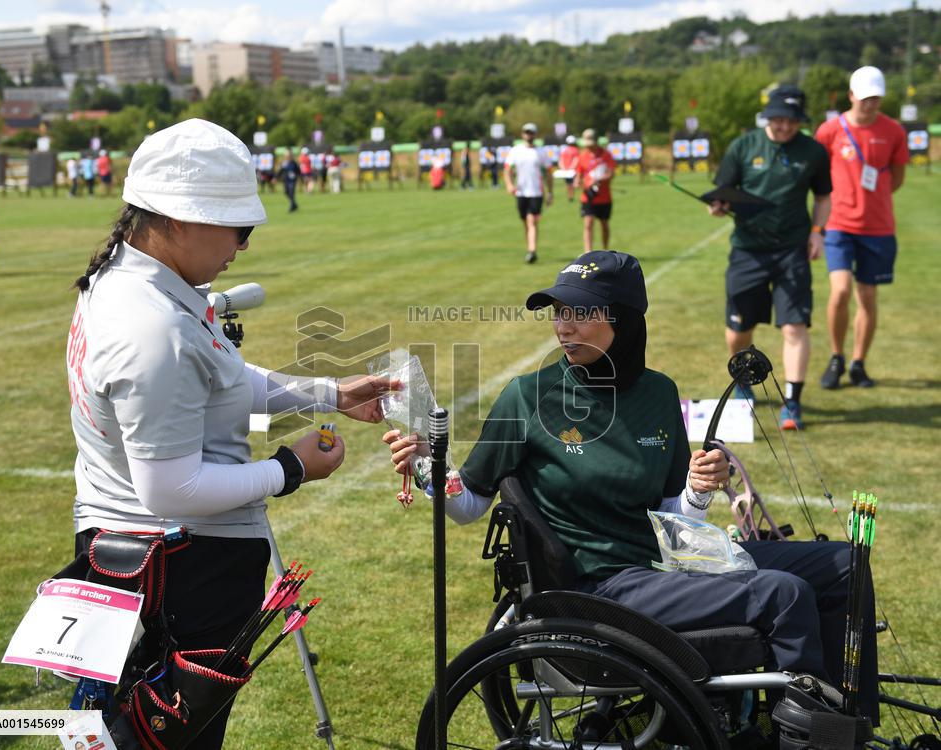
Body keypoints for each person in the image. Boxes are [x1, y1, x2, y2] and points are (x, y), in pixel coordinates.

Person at [383, 250, 879, 726]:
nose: (563, 325)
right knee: (784, 594)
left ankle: (854, 721)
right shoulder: (527, 396)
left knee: (845, 565)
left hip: (665, 563)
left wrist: (699, 486)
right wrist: (430, 468)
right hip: (601, 587)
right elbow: (470, 503)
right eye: (558, 312)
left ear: (621, 320)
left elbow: (675, 517)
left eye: (580, 311)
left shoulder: (659, 392)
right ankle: (810, 736)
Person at [66, 119, 398, 748]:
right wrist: (291, 469)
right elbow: (170, 488)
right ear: (180, 219)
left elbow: (224, 379)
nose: (243, 246)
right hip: (178, 566)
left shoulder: (138, 286)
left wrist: (328, 394)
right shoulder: (150, 325)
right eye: (237, 227)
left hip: (152, 553)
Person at [709, 85, 831, 430]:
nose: (785, 127)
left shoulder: (813, 152)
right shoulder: (743, 146)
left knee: (794, 326)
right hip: (747, 250)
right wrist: (718, 206)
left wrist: (817, 232)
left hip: (792, 250)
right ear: (769, 116)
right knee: (738, 330)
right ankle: (744, 383)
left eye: (792, 121)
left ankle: (792, 402)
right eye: (779, 119)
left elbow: (823, 197)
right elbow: (722, 194)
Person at [814, 66, 909, 390]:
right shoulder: (829, 130)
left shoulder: (894, 131)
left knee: (867, 296)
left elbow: (896, 177)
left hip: (879, 227)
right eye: (865, 97)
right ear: (852, 95)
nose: (871, 104)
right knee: (840, 290)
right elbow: (817, 175)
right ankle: (837, 356)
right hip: (839, 225)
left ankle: (858, 362)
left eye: (876, 98)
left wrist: (875, 199)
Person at [504, 122, 553, 264]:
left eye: (531, 132)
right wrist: (509, 184)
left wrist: (550, 192)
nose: (528, 135)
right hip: (521, 192)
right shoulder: (516, 150)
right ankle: (530, 249)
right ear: (522, 134)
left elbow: (548, 173)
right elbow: (507, 169)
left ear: (535, 134)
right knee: (525, 222)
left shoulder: (541, 152)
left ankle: (532, 251)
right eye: (526, 132)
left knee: (532, 221)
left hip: (536, 192)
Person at [573, 128, 615, 253]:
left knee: (604, 224)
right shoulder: (582, 156)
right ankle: (588, 253)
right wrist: (577, 182)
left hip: (604, 197)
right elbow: (579, 175)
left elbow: (611, 173)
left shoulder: (606, 155)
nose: (589, 147)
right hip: (588, 197)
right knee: (588, 223)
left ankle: (606, 251)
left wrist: (599, 180)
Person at [276, 147, 301, 212]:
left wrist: (299, 177)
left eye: (289, 154)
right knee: (286, 192)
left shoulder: (294, 162)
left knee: (291, 192)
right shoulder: (284, 162)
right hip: (286, 180)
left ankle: (292, 206)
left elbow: (298, 171)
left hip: (292, 180)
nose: (288, 156)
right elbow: (280, 171)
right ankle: (294, 204)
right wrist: (276, 178)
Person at [558, 134, 580, 202]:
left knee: (568, 183)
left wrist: (563, 167)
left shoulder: (564, 150)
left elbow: (560, 160)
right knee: (571, 183)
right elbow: (576, 160)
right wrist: (571, 167)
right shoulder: (576, 150)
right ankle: (571, 196)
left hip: (567, 170)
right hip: (571, 170)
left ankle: (570, 196)